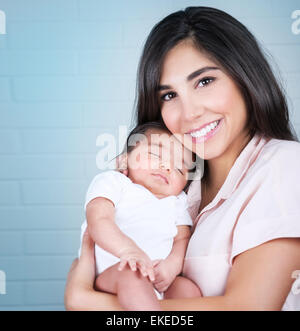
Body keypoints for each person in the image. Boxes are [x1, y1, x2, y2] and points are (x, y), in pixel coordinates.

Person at [65, 6, 300, 311]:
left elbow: (250, 307)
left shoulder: (284, 165)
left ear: (245, 77)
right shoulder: (178, 187)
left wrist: (85, 301)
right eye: (169, 95)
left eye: (204, 81)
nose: (189, 113)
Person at [78, 122, 201, 310]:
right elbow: (99, 220)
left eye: (179, 168)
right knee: (132, 274)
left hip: (156, 276)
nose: (167, 166)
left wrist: (171, 267)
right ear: (124, 161)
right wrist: (128, 251)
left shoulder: (177, 200)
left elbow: (182, 239)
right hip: (116, 272)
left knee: (188, 290)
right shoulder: (115, 183)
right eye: (154, 155)